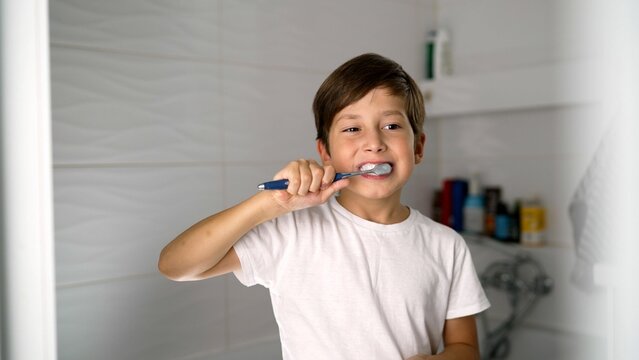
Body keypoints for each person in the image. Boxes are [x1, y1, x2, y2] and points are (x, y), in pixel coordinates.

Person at [158, 53, 490, 360]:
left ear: (418, 146)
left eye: (391, 126)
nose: (374, 142)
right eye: (352, 129)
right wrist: (268, 204)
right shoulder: (292, 231)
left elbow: (465, 348)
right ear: (325, 153)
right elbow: (176, 265)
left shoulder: (447, 246)